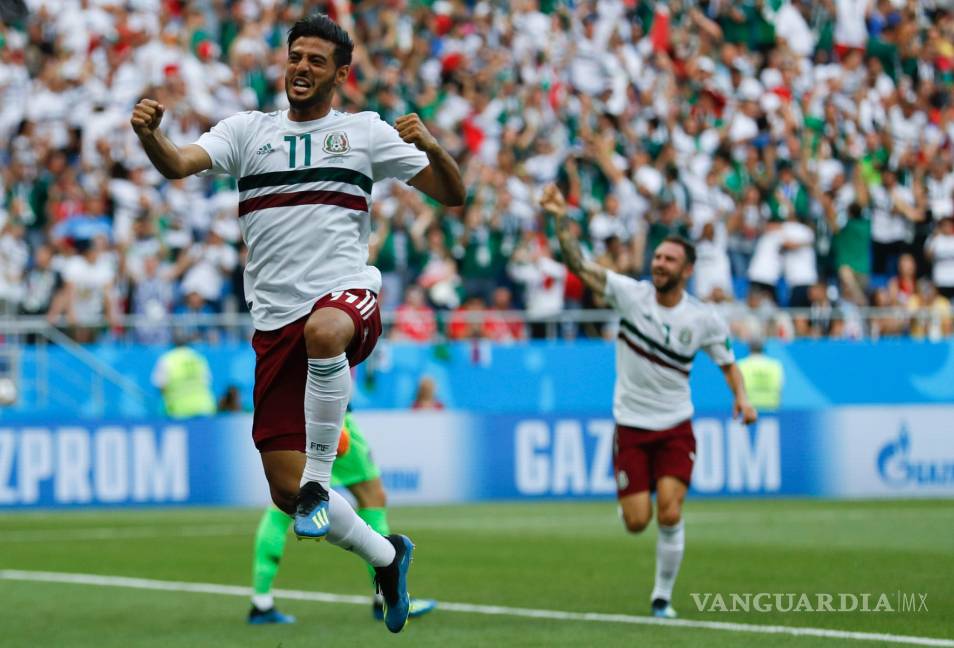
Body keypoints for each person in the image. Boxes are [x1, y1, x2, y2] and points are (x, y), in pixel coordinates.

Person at [131, 13, 464, 634]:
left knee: (325, 335)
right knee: (284, 493)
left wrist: (432, 144)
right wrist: (151, 135)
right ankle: (387, 557)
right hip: (275, 327)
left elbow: (452, 193)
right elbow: (177, 163)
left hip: (345, 299)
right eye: (295, 57)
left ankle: (318, 482)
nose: (302, 68)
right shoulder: (246, 132)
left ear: (341, 74)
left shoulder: (364, 132)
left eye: (316, 60)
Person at [540, 184, 757, 619]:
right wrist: (561, 218)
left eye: (669, 259)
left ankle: (662, 597)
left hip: (676, 425)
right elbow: (580, 265)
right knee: (638, 521)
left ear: (687, 270)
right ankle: (632, 506)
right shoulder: (630, 294)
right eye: (657, 257)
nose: (659, 263)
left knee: (670, 512)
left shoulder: (703, 318)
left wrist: (743, 398)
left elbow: (728, 363)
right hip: (632, 425)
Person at [249, 412, 437, 624]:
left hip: (286, 415)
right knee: (371, 496)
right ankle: (388, 595)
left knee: (287, 497)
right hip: (327, 414)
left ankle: (261, 601)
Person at [151, 334, 217, 419]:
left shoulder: (167, 359)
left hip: (178, 410)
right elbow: (207, 382)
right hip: (204, 407)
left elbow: (160, 385)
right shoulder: (198, 358)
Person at [736, 338, 784, 411]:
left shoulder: (741, 365)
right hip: (771, 410)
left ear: (749, 347)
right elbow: (780, 387)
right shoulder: (775, 365)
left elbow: (737, 390)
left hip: (749, 411)